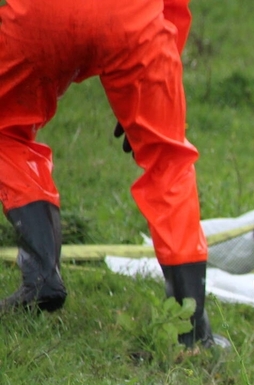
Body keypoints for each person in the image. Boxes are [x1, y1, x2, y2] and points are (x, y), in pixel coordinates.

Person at [0, 0, 222, 348]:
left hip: (40, 14)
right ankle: (193, 330)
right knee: (168, 162)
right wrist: (158, 83)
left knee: (5, 131)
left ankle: (41, 271)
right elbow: (174, 7)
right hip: (129, 20)